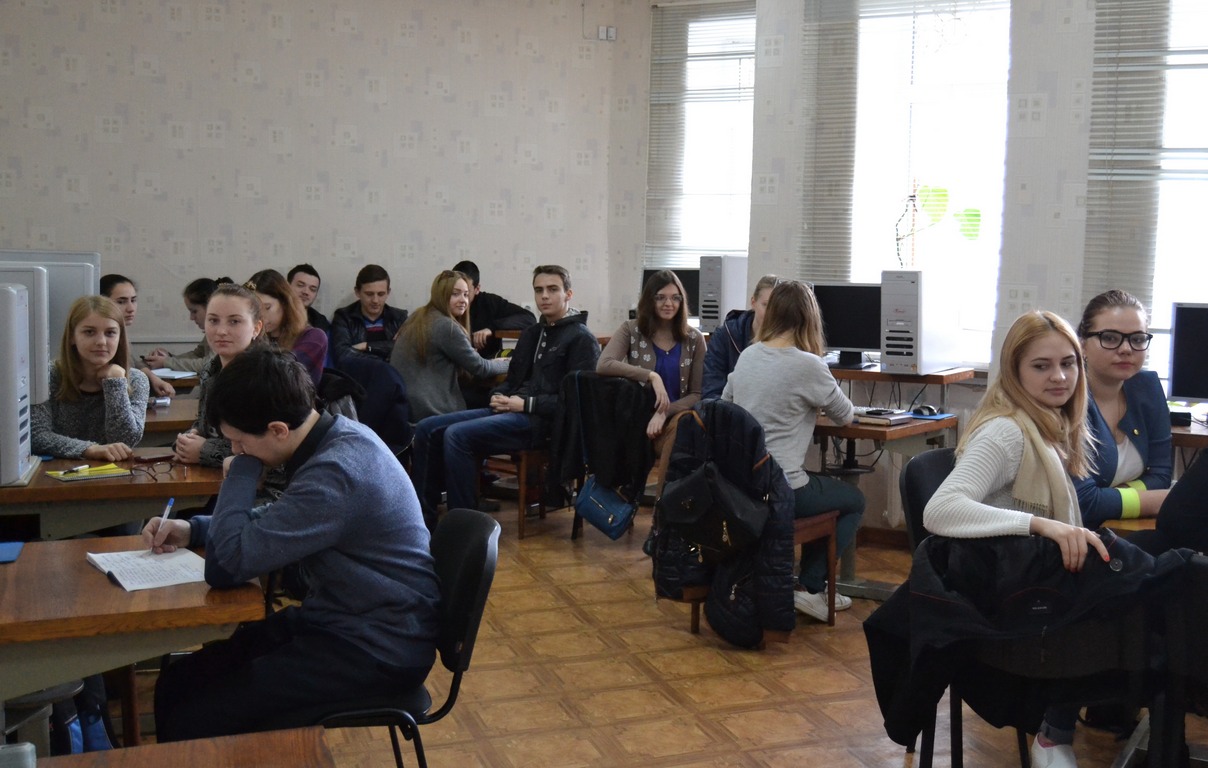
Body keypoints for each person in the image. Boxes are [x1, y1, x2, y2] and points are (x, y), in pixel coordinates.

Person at [143, 348, 439, 741]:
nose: (236, 451)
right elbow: (286, 518)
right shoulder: (336, 436)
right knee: (179, 681)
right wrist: (194, 529)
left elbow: (225, 565)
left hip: (378, 645)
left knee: (196, 717)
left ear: (279, 430)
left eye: (238, 441)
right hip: (345, 618)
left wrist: (240, 473)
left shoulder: (336, 472)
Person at [925, 310, 1112, 768]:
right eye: (1041, 366)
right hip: (1004, 607)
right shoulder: (1007, 432)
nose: (1059, 377)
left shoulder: (1049, 424)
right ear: (1014, 371)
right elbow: (940, 509)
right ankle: (1055, 735)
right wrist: (1041, 525)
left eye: (1068, 363)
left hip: (1029, 587)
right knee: (1133, 605)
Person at [720, 280, 865, 622]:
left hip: (743, 484)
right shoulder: (809, 365)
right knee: (853, 501)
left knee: (822, 490)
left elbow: (725, 406)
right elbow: (845, 416)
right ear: (809, 318)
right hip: (783, 487)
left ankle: (808, 585)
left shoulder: (748, 356)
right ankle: (811, 588)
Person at [411, 265, 600, 518]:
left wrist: (525, 405)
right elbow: (511, 381)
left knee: (457, 435)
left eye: (552, 289)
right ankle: (421, 519)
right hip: (511, 411)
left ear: (568, 294)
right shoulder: (532, 333)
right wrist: (498, 396)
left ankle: (464, 524)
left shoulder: (582, 339)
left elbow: (576, 403)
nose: (544, 296)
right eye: (539, 290)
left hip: (542, 423)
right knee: (427, 428)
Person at [1073, 289, 1171, 529]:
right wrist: (1158, 500)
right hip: (1073, 534)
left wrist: (1113, 496)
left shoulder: (1147, 387)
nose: (1126, 348)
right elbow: (1083, 502)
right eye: (1110, 337)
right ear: (1082, 345)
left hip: (1117, 528)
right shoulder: (1067, 398)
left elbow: (1161, 475)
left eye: (1137, 339)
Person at [31, 295, 149, 460]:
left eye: (110, 333)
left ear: (120, 338)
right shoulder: (48, 376)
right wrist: (89, 449)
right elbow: (37, 436)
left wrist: (115, 384)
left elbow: (125, 440)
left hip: (113, 471)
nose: (101, 341)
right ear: (72, 337)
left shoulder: (136, 379)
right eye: (89, 332)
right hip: (56, 471)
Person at [596, 269, 706, 440]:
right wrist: (651, 376)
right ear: (649, 300)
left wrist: (664, 412)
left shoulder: (695, 338)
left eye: (675, 298)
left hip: (677, 418)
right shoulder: (631, 329)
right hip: (636, 417)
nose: (668, 303)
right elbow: (604, 364)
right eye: (660, 297)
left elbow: (697, 394)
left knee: (678, 438)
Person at [390, 269, 509, 422]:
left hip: (408, 408)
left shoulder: (418, 316)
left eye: (466, 294)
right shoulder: (446, 326)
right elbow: (481, 368)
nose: (463, 300)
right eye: (455, 294)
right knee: (498, 406)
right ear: (441, 295)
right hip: (432, 411)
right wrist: (509, 362)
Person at [173, 284, 264, 467]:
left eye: (234, 321)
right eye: (213, 320)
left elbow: (269, 450)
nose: (221, 331)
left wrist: (204, 449)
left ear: (256, 328)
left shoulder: (266, 375)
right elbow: (205, 424)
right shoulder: (211, 368)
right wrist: (190, 438)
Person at [702, 274, 780, 399]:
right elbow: (711, 391)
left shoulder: (788, 341)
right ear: (753, 302)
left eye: (777, 307)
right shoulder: (725, 336)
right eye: (766, 305)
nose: (772, 313)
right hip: (729, 408)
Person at [247, 269, 327, 386]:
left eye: (267, 307)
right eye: (254, 309)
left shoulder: (313, 337)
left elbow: (281, 376)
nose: (260, 316)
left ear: (285, 303)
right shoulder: (250, 336)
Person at [100, 274, 175, 398]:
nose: (131, 308)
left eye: (133, 300)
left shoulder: (121, 332)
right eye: (121, 302)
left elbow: (132, 364)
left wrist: (154, 379)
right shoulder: (104, 338)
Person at [451, 260, 536, 359]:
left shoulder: (489, 302)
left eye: (466, 292)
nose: (461, 299)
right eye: (455, 292)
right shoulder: (444, 307)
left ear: (477, 289)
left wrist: (492, 327)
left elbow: (529, 318)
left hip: (488, 363)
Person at [142, 277, 230, 373]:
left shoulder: (222, 332)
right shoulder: (211, 330)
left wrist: (166, 362)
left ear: (210, 307)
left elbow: (210, 365)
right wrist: (168, 357)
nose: (191, 317)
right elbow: (197, 354)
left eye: (194, 311)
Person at [329, 264, 406, 363]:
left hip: (393, 373)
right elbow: (343, 356)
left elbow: (406, 351)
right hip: (358, 373)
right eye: (369, 294)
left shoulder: (399, 318)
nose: (375, 300)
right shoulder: (344, 317)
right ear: (357, 292)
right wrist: (385, 355)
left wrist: (367, 346)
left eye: (381, 294)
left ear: (388, 292)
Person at [287, 263, 330, 334]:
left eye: (312, 289)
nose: (306, 292)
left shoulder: (320, 322)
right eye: (300, 285)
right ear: (287, 286)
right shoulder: (273, 315)